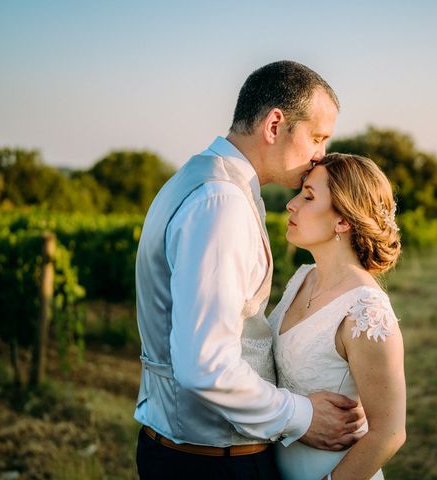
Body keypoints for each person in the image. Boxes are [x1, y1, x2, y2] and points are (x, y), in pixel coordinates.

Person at [134, 61, 365, 479]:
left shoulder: (198, 178)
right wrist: (303, 415)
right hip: (211, 462)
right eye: (317, 137)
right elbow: (205, 365)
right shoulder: (220, 203)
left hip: (187, 450)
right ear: (275, 124)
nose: (321, 155)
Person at [270, 153, 407, 479]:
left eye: (308, 196)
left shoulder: (365, 311)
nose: (291, 204)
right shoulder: (302, 277)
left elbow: (389, 433)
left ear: (343, 221)